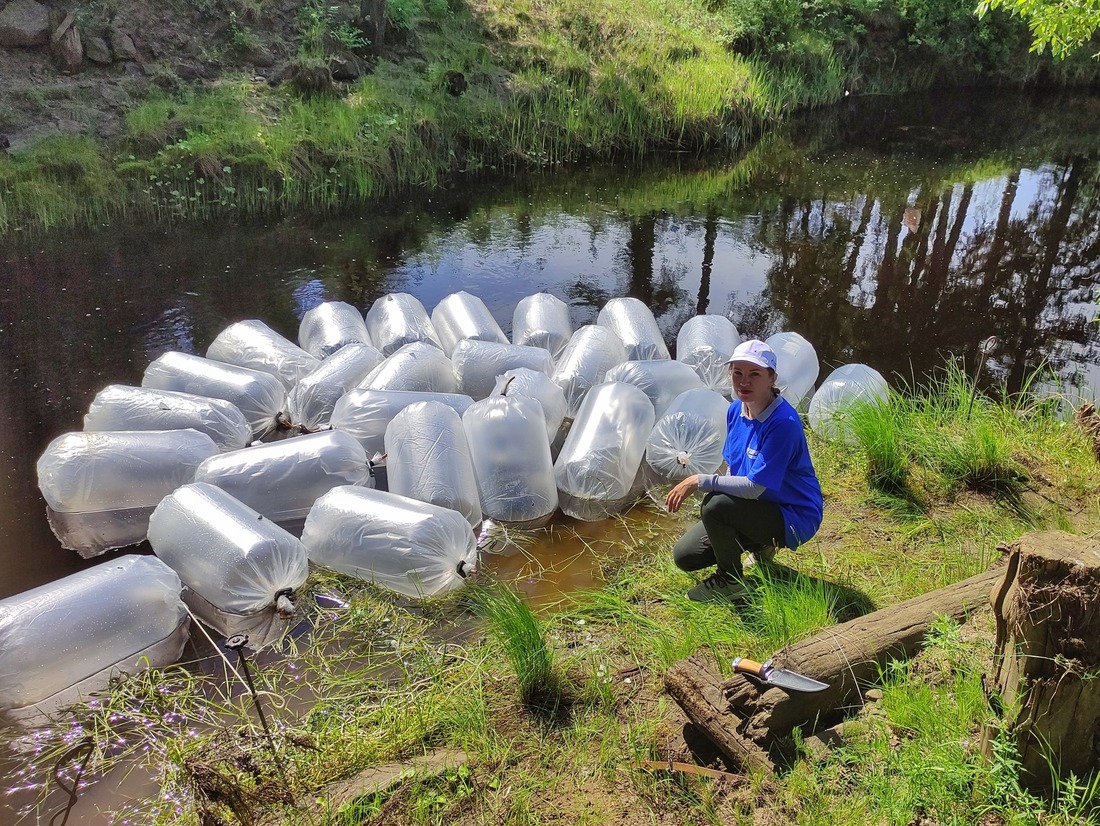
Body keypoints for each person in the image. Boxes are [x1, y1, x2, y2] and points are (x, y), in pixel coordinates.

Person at [665, 338, 823, 602]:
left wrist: (699, 480)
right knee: (686, 556)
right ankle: (760, 543)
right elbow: (733, 468)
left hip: (793, 515)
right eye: (737, 373)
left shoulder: (782, 423)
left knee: (715, 505)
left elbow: (754, 486)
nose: (744, 382)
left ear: (772, 378)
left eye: (754, 374)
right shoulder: (735, 410)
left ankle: (731, 581)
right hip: (760, 507)